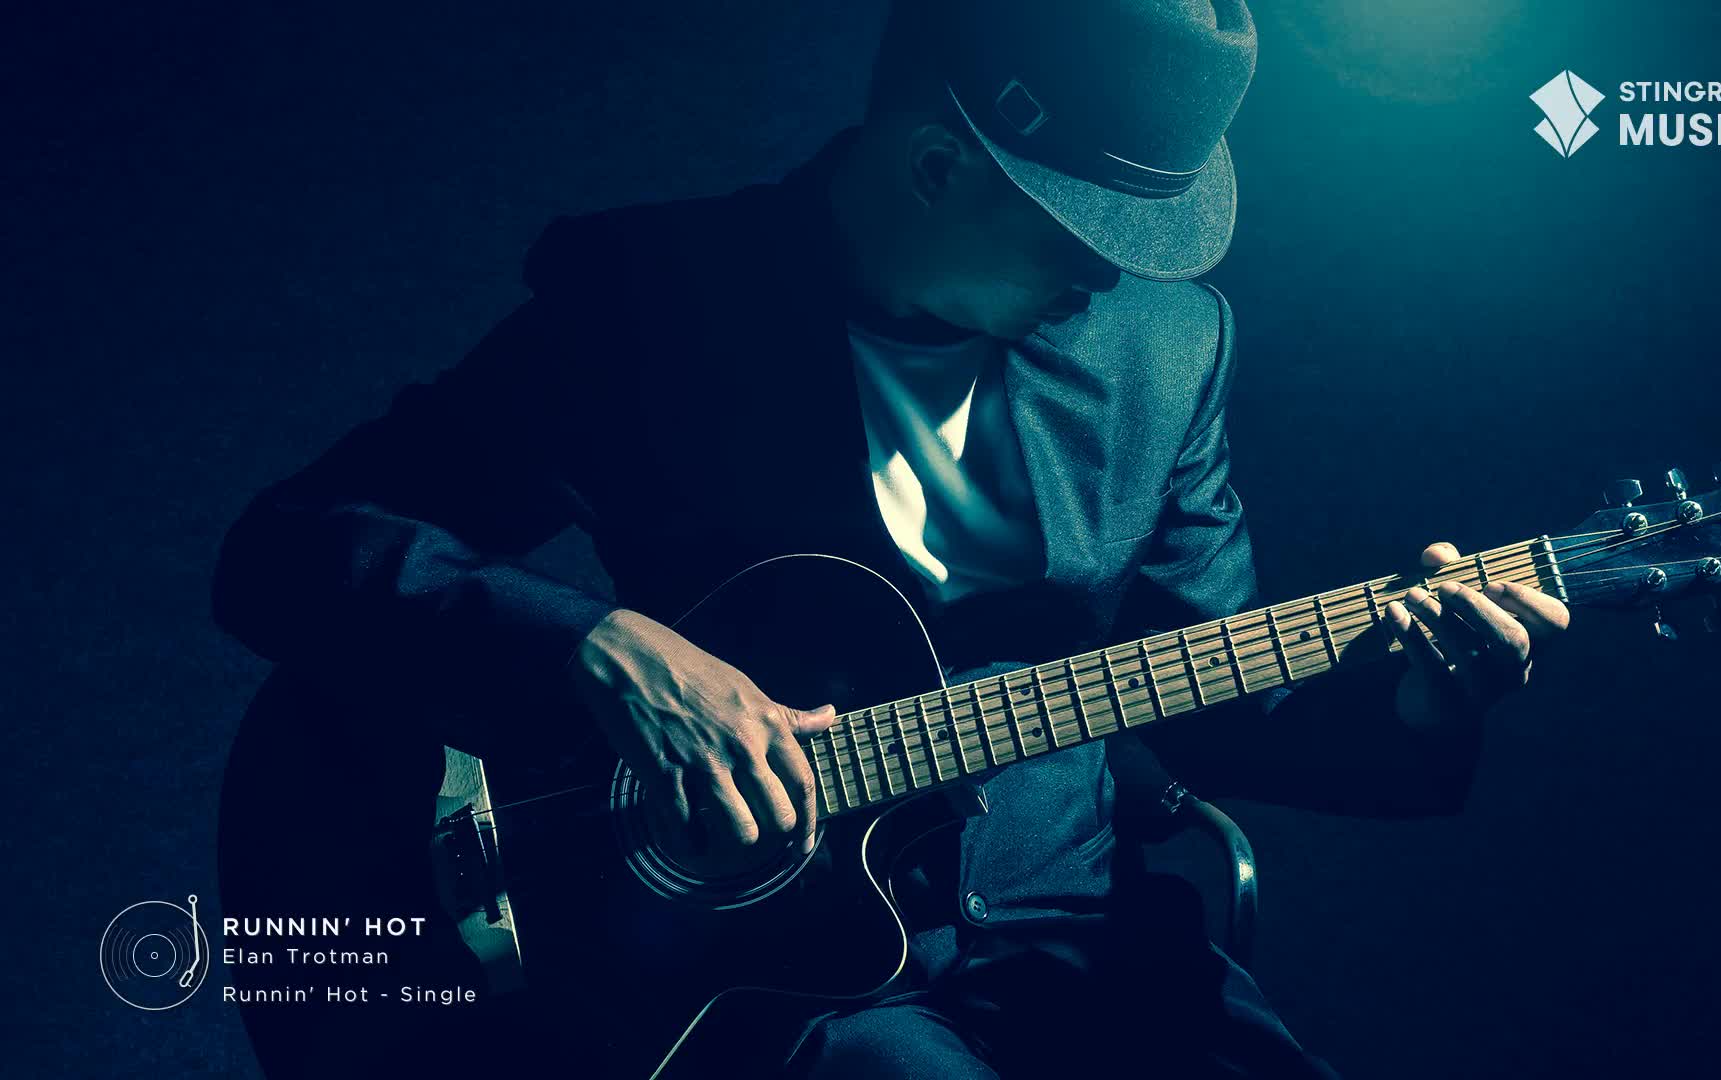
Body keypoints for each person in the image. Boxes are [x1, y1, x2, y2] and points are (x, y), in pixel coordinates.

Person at [212, 0, 1569, 1075]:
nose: (1117, 276)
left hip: (1075, 941)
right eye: (1086, 236)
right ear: (935, 165)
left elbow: (1210, 693)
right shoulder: (655, 301)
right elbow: (286, 547)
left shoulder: (1168, 351)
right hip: (766, 976)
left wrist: (1424, 693)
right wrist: (595, 648)